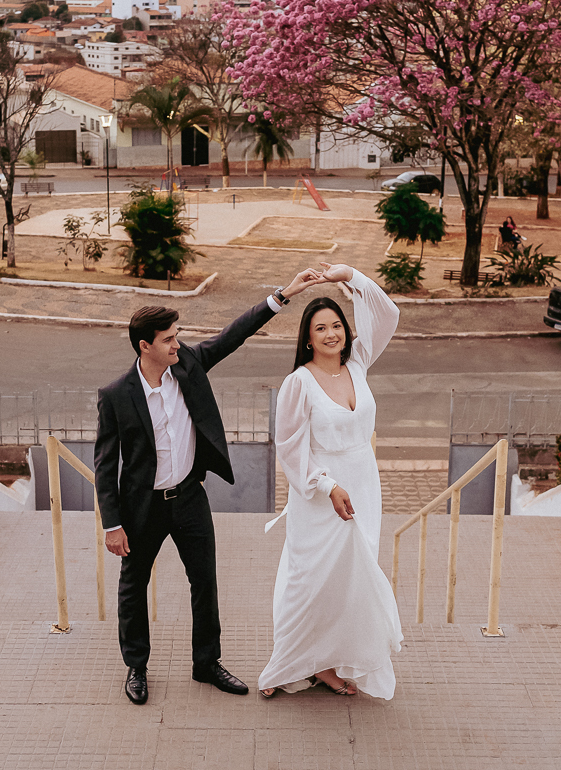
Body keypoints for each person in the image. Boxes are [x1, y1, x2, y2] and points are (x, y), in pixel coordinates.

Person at [94, 267, 323, 706]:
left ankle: (206, 663)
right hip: (142, 507)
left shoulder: (190, 365)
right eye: (168, 339)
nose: (177, 345)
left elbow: (234, 334)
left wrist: (284, 294)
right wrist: (112, 524)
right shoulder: (116, 395)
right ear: (146, 346)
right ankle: (137, 666)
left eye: (177, 337)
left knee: (205, 580)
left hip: (189, 497)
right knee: (133, 584)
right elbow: (106, 465)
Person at [259, 262, 403, 700]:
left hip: (363, 484)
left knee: (352, 577)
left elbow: (388, 313)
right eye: (320, 328)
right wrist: (327, 486)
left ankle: (332, 662)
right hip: (321, 493)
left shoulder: (359, 362)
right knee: (312, 578)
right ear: (307, 337)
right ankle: (293, 662)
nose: (331, 334)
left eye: (337, 325)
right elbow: (290, 447)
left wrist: (348, 276)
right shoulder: (297, 383)